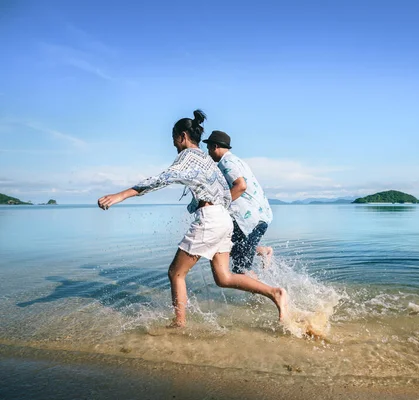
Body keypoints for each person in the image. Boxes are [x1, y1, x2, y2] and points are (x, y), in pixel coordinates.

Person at [97, 110, 288, 328]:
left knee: (175, 273)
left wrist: (120, 195)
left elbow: (162, 178)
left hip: (211, 219)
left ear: (183, 136)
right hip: (224, 218)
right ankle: (275, 292)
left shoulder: (188, 157)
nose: (174, 145)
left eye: (174, 139)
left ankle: (179, 324)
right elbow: (223, 193)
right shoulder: (208, 160)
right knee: (224, 278)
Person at [203, 130, 273, 274]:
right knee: (228, 247)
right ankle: (263, 251)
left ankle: (272, 295)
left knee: (241, 269)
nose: (208, 152)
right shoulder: (236, 160)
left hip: (251, 221)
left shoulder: (226, 162)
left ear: (215, 146)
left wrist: (218, 206)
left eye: (209, 148)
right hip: (254, 217)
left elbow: (240, 186)